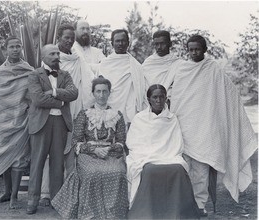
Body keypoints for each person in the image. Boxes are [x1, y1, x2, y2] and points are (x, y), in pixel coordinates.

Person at [166, 35, 257, 216]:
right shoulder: (182, 69)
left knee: (201, 170)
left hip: (205, 127)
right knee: (183, 167)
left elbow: (229, 92)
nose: (193, 52)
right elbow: (174, 93)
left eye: (197, 49)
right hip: (184, 125)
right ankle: (183, 203)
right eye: (190, 49)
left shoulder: (213, 69)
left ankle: (200, 205)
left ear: (205, 49)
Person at [51, 76, 129, 219]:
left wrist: (108, 150)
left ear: (109, 93)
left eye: (104, 91)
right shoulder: (84, 114)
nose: (101, 95)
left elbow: (121, 141)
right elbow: (76, 141)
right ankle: (90, 214)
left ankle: (114, 214)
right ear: (93, 93)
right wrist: (94, 150)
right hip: (88, 154)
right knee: (92, 173)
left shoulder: (117, 115)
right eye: (98, 91)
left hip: (110, 153)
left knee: (117, 172)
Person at [39, 24, 96, 206]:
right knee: (51, 154)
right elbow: (47, 89)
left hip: (75, 111)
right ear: (59, 37)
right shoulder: (50, 59)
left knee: (71, 153)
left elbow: (86, 85)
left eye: (72, 38)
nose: (70, 41)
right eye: (66, 38)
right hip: (54, 112)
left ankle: (70, 194)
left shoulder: (78, 59)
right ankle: (46, 193)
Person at [126, 84, 200, 219]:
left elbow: (176, 144)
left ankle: (178, 214)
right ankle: (147, 214)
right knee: (148, 170)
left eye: (161, 97)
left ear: (166, 98)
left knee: (178, 169)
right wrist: (148, 156)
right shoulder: (140, 118)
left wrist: (166, 155)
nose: (158, 101)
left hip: (169, 156)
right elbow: (133, 143)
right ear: (148, 99)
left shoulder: (172, 119)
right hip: (145, 157)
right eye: (155, 97)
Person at [0, 36, 34, 209]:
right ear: (6, 50)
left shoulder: (30, 71)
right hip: (2, 121)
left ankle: (15, 196)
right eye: (12, 47)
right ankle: (7, 192)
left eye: (18, 46)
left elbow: (32, 97)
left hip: (21, 120)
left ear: (22, 48)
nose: (16, 49)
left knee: (18, 159)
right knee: (4, 156)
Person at [26, 44, 78, 215]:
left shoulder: (65, 74)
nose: (56, 56)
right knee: (37, 162)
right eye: (52, 54)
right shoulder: (34, 74)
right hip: (41, 123)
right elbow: (38, 99)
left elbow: (74, 94)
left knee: (57, 163)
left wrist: (54, 92)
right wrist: (61, 102)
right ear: (43, 56)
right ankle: (32, 201)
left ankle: (57, 200)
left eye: (57, 53)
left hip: (60, 123)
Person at [98, 29, 148, 127]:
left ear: (128, 43)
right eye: (117, 41)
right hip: (108, 109)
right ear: (112, 43)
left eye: (123, 40)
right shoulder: (104, 64)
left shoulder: (136, 66)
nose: (120, 43)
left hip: (129, 110)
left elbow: (140, 89)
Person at [142, 30, 180, 105]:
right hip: (149, 105)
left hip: (172, 104)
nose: (159, 47)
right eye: (156, 44)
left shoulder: (178, 64)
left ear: (170, 44)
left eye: (162, 44)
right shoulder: (148, 63)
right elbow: (143, 85)